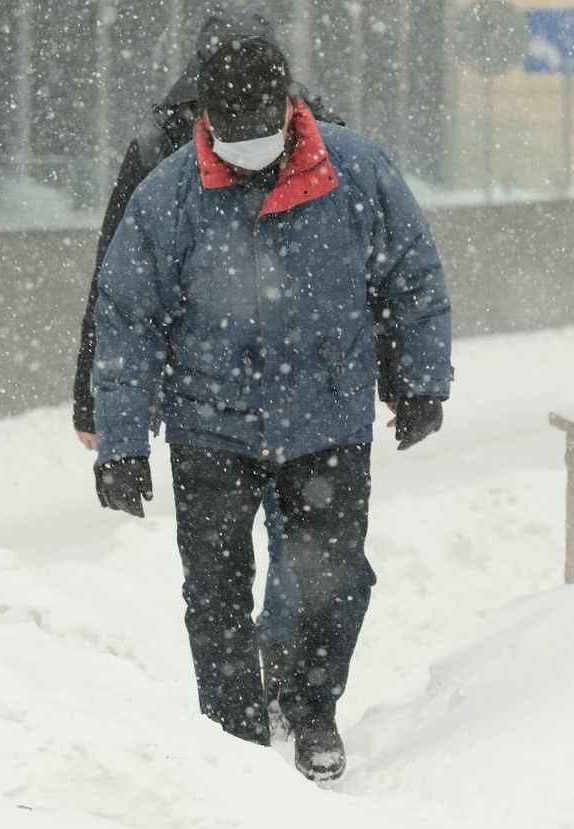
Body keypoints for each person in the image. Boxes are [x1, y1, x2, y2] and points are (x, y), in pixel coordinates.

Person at [91, 36, 452, 781]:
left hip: (326, 419)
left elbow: (412, 275)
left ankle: (309, 704)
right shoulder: (169, 195)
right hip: (209, 427)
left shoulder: (355, 171)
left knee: (336, 577)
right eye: (229, 128)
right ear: (207, 116)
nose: (244, 144)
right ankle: (233, 733)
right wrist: (120, 443)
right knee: (215, 591)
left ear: (287, 107)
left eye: (257, 123)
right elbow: (126, 319)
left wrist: (419, 381)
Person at [71, 7, 344, 728]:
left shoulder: (325, 136)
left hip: (306, 398)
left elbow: (363, 259)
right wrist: (96, 406)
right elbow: (119, 287)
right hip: (208, 398)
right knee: (221, 574)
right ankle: (238, 716)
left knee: (302, 562)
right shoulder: (161, 146)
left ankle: (286, 674)